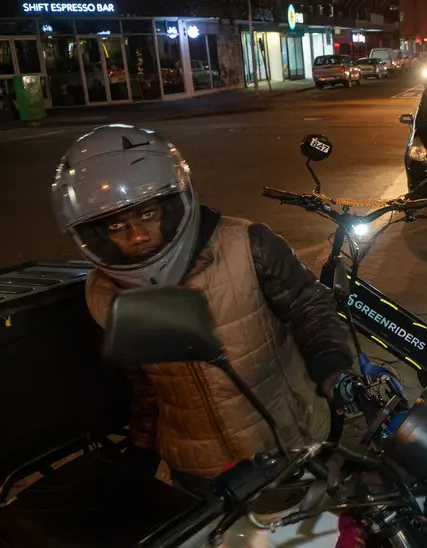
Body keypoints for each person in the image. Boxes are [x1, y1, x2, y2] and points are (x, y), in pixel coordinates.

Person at [51, 124, 354, 493]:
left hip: (287, 444)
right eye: (117, 226)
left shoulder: (248, 245)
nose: (138, 236)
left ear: (172, 203)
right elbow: (144, 382)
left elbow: (309, 307)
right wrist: (142, 445)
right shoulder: (103, 292)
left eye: (147, 214)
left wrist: (331, 368)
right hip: (197, 468)